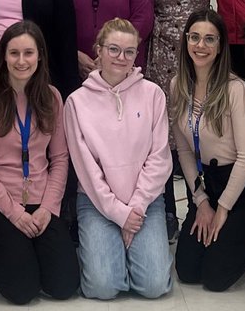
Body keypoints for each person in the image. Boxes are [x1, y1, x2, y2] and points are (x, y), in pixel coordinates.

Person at [0, 21, 79, 304]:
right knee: (22, 292)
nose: (21, 61)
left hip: (40, 201)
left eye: (28, 53)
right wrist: (15, 214)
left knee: (64, 286)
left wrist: (48, 208)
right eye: (14, 53)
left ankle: (24, 248)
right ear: (3, 56)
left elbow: (60, 158)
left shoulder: (51, 97)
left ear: (40, 55)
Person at [171, 9, 245, 292]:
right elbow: (184, 150)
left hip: (243, 187)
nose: (201, 46)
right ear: (185, 41)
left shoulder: (236, 89)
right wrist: (202, 202)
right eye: (194, 37)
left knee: (216, 277)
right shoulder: (177, 86)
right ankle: (231, 233)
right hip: (208, 184)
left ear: (220, 46)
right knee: (187, 270)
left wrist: (222, 209)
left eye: (210, 39)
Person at [64, 18, 172, 300]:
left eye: (129, 51)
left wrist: (134, 209)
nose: (121, 58)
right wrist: (119, 215)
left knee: (154, 286)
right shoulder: (76, 102)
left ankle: (127, 250)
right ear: (98, 50)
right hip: (96, 202)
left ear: (137, 54)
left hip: (145, 202)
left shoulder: (153, 95)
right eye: (113, 49)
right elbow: (86, 171)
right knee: (104, 288)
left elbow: (159, 158)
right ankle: (104, 250)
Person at [138, 0, 215, 239]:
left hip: (199, 57)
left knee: (200, 131)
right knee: (163, 138)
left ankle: (205, 205)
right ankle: (167, 210)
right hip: (160, 60)